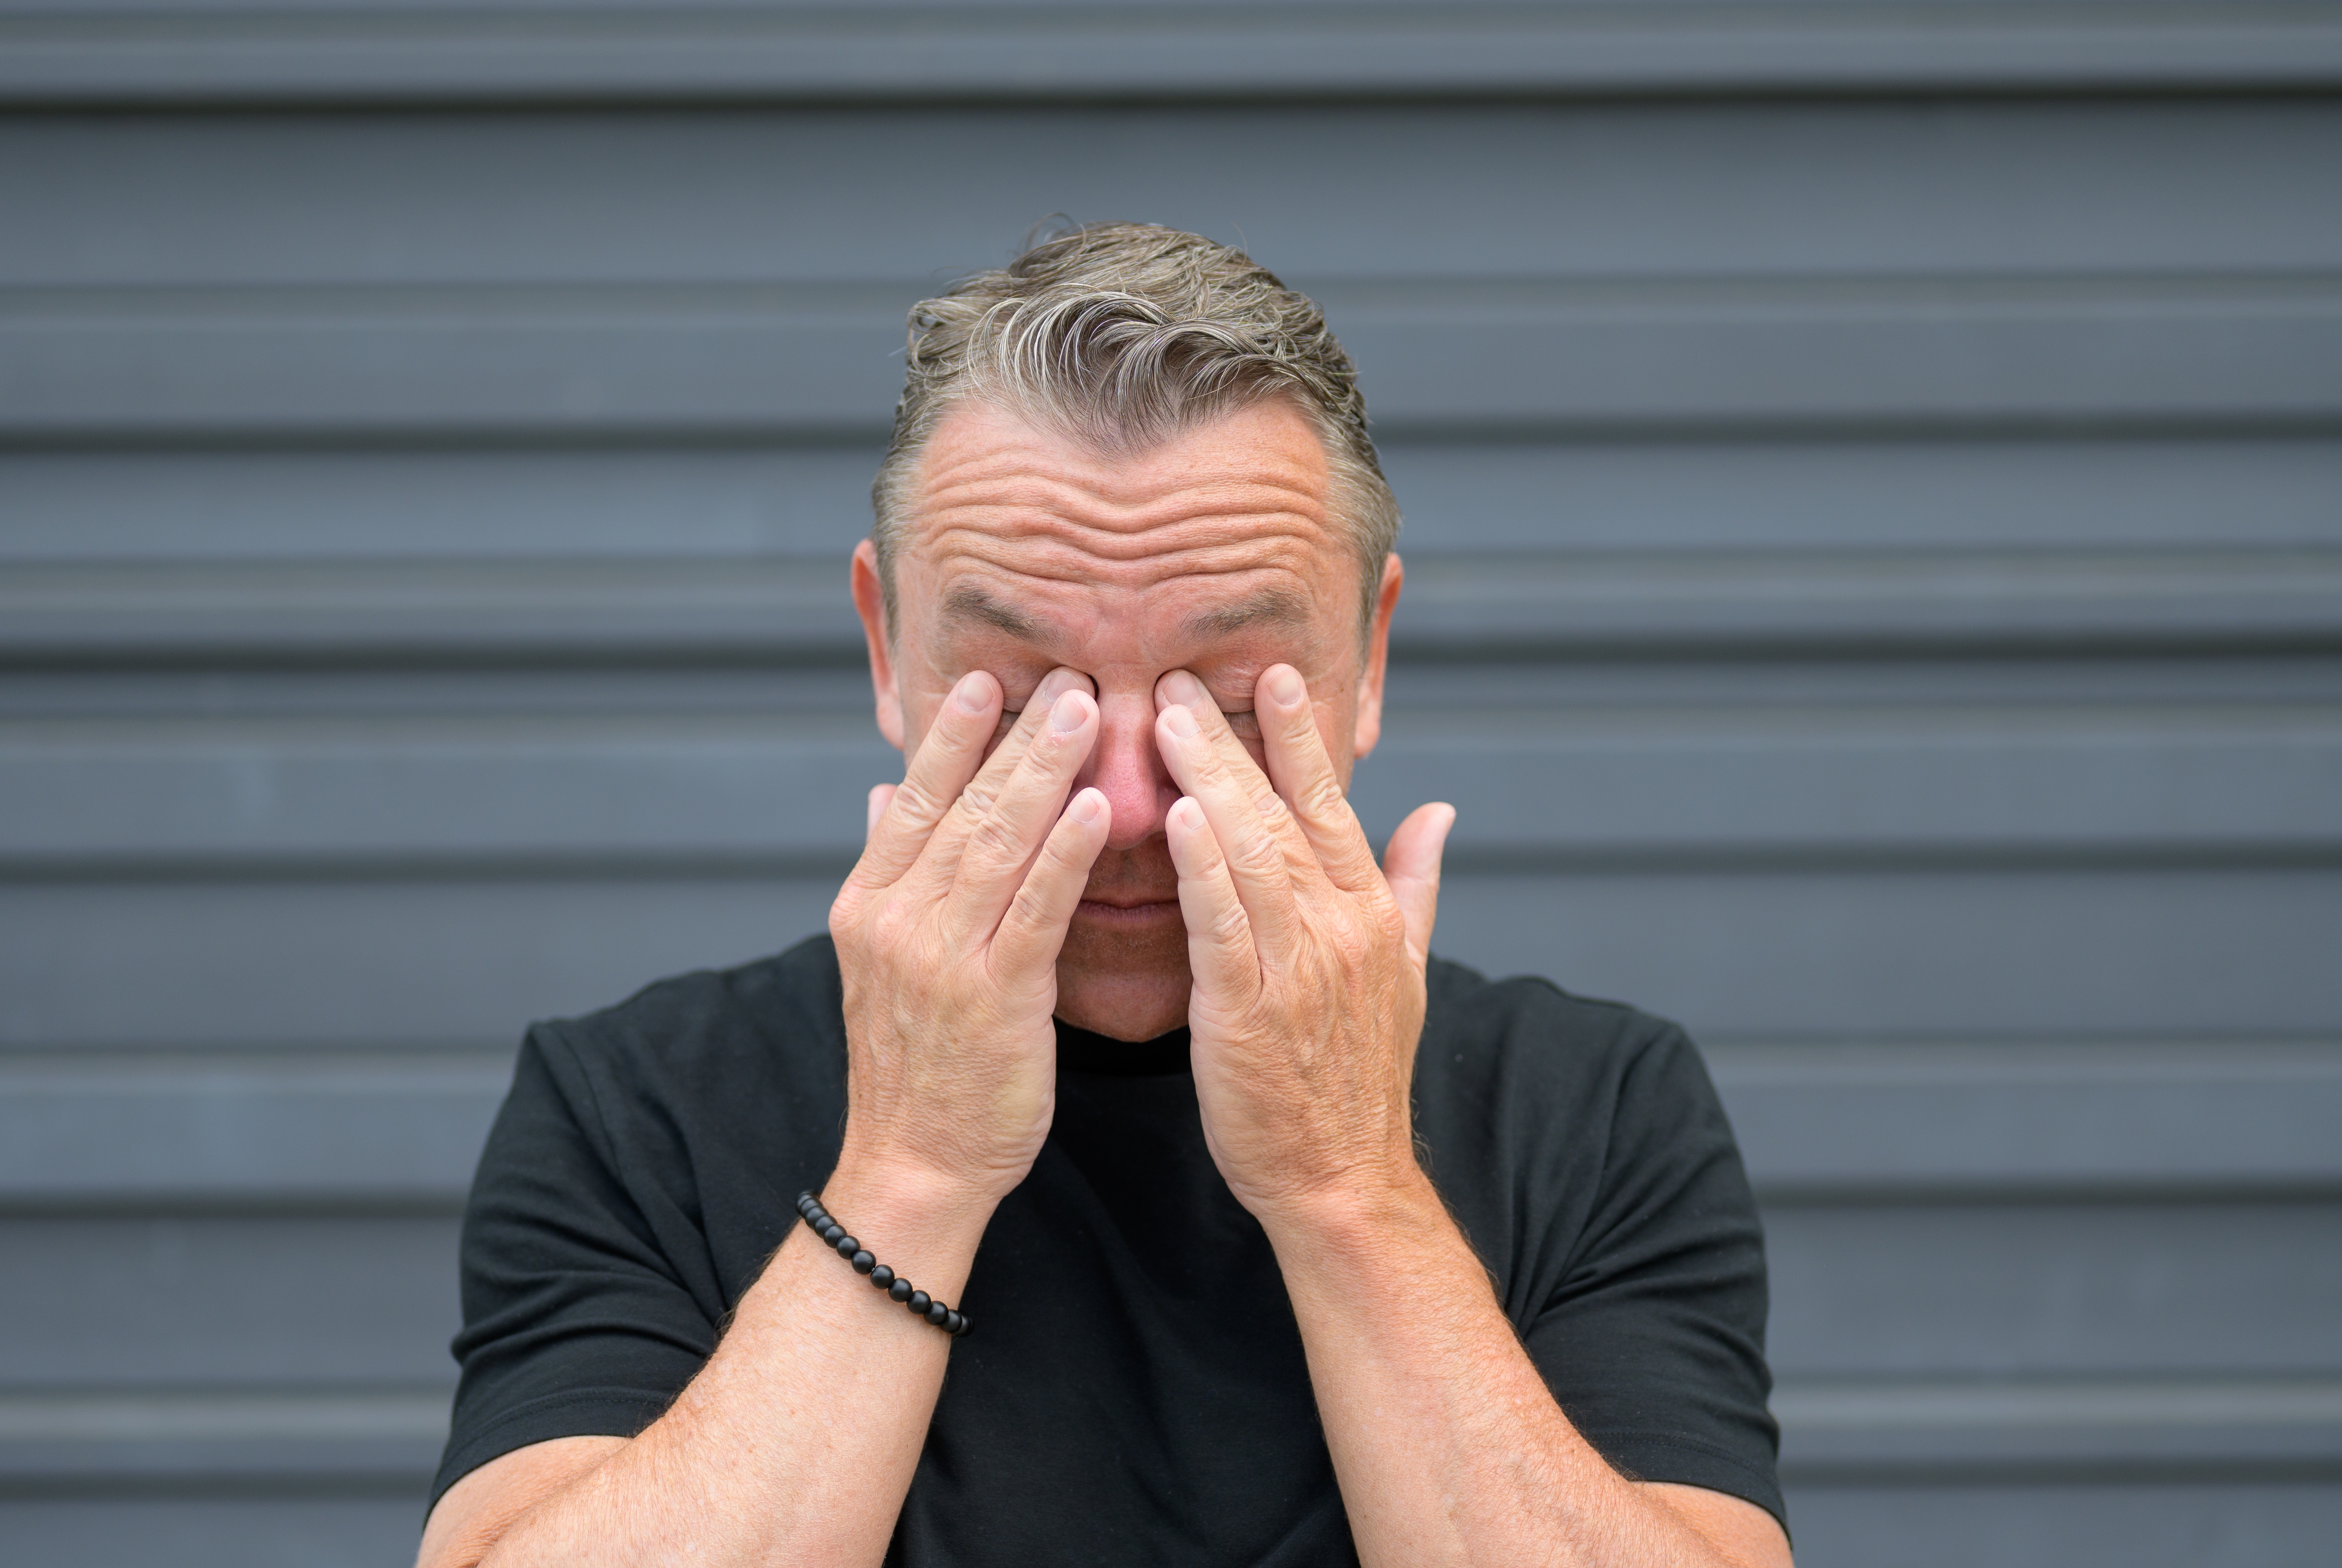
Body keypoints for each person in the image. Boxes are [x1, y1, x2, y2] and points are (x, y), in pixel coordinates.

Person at [416, 222, 1791, 1568]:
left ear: (1369, 660)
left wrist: (1349, 1189)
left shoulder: (1596, 1109)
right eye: (1024, 697)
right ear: (886, 646)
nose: (1127, 809)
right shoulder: (638, 1107)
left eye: (1229, 700)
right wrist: (912, 1174)